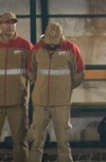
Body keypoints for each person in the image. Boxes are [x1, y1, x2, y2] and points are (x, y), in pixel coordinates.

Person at [28, 22, 84, 162]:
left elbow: (79, 73)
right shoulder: (36, 49)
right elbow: (30, 71)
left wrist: (66, 88)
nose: (51, 44)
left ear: (61, 37)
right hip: (40, 102)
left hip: (61, 103)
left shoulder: (71, 49)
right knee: (36, 141)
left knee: (63, 142)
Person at [0, 12, 32, 162]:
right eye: (6, 22)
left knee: (20, 141)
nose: (10, 25)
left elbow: (33, 71)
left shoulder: (25, 46)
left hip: (17, 102)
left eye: (13, 22)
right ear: (0, 25)